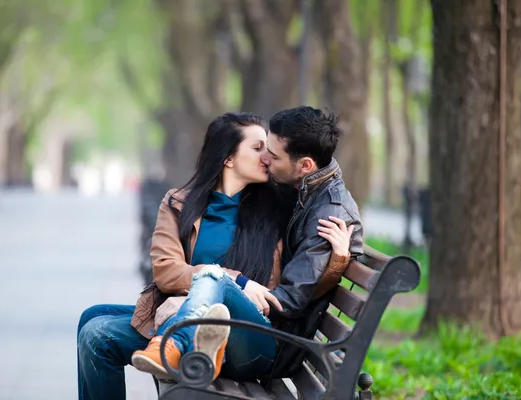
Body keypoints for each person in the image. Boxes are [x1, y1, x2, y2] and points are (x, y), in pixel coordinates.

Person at [77, 112, 353, 400]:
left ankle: (172, 343)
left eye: (270, 151)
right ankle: (177, 337)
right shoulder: (180, 203)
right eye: (258, 148)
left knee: (98, 336)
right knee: (92, 318)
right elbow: (167, 271)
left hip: (250, 331)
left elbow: (302, 284)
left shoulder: (281, 208)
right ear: (228, 158)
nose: (267, 158)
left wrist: (338, 261)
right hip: (194, 314)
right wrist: (238, 280)